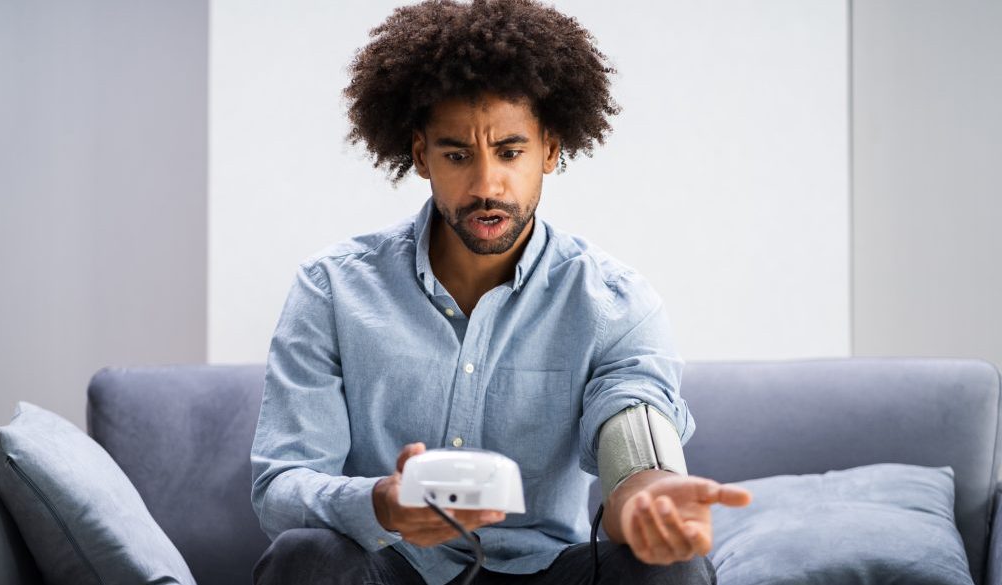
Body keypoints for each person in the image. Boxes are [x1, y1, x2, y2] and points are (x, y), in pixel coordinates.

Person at [250, 1, 751, 583]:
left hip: (544, 569)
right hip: (393, 565)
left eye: (511, 152)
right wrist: (381, 504)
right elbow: (279, 489)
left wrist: (645, 496)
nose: (487, 184)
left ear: (550, 150)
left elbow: (633, 420)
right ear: (421, 156)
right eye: (457, 155)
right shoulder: (332, 289)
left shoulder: (613, 301)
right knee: (307, 557)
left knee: (675, 570)